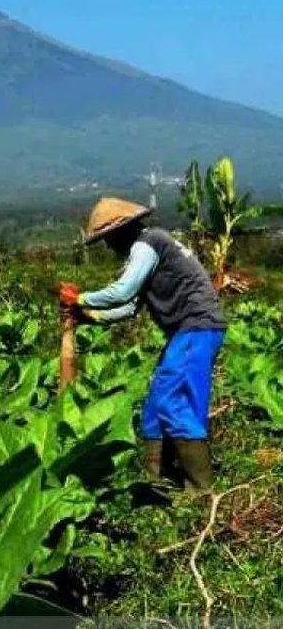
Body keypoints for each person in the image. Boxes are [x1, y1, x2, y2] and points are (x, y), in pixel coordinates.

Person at [59, 197, 226, 491]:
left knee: (175, 402)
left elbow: (123, 292)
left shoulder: (147, 245)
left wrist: (80, 299)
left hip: (196, 327)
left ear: (120, 231)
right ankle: (157, 480)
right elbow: (129, 307)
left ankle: (200, 490)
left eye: (107, 239)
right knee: (155, 406)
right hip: (187, 332)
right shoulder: (146, 251)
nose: (108, 247)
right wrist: (89, 317)